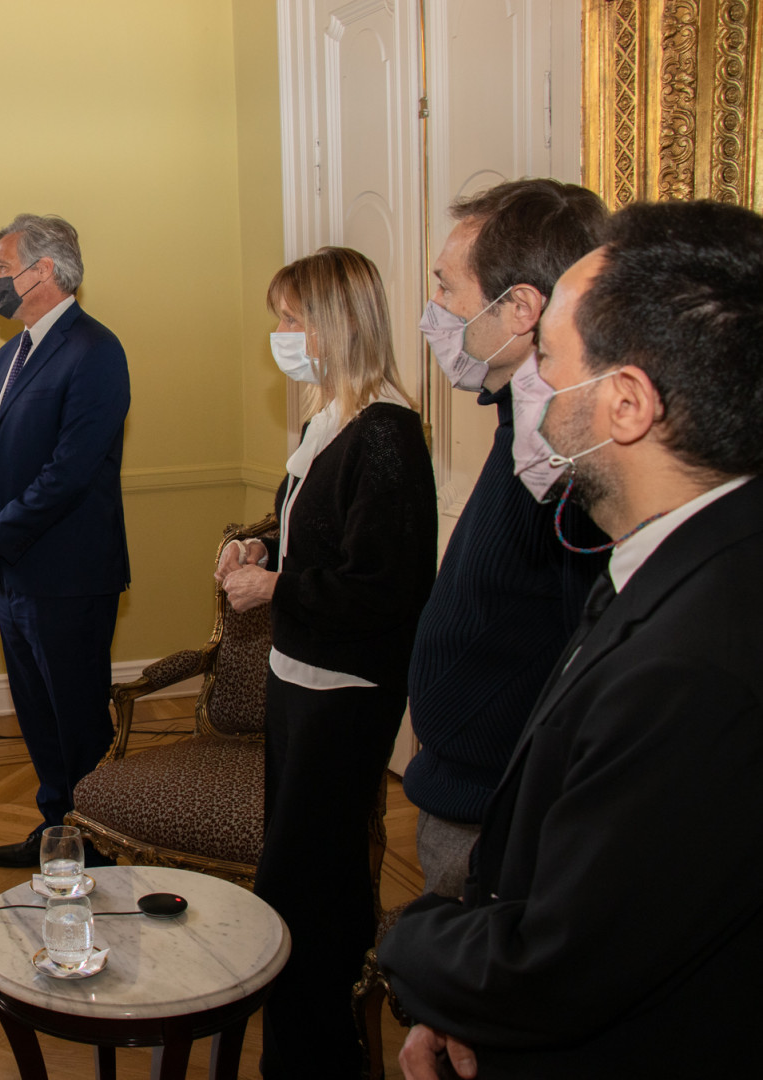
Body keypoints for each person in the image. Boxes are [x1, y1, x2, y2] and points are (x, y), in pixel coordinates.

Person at [379, 199, 763, 1079]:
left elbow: (557, 965)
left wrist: (420, 949)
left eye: (548, 356)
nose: (530, 386)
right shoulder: (673, 554)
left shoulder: (692, 665)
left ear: (625, 402)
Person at [216, 246, 437, 1078]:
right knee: (306, 869)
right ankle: (304, 1036)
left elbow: (382, 587)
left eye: (291, 317)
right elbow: (315, 531)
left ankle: (316, 1052)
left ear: (336, 323)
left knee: (307, 881)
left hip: (346, 691)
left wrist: (277, 585)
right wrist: (257, 543)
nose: (280, 332)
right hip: (296, 679)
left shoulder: (385, 431)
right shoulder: (325, 418)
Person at [406, 179, 610, 898]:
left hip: (503, 818)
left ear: (518, 308)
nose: (436, 312)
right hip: (466, 791)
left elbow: (583, 664)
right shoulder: (519, 426)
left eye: (446, 287)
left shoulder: (567, 463)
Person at [0, 213, 131, 869]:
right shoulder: (11, 354)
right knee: (37, 715)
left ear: (44, 272)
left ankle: (101, 841)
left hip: (71, 575)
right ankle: (59, 833)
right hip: (16, 573)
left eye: (2, 267)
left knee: (78, 719)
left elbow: (71, 470)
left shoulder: (95, 350)